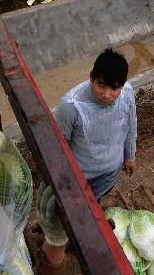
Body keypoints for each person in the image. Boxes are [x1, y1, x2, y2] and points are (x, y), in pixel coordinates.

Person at [54, 49, 138, 200]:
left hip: (111, 171)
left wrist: (130, 156)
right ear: (91, 77)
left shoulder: (127, 94)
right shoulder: (71, 106)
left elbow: (130, 125)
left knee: (95, 203)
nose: (106, 95)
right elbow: (60, 147)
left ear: (122, 85)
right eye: (101, 85)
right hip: (81, 177)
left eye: (114, 88)